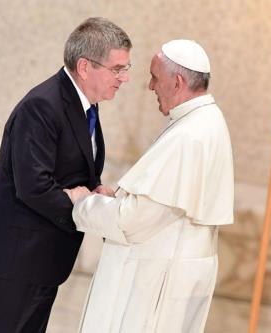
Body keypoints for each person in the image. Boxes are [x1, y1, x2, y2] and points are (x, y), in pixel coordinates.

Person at [0, 17, 132, 332]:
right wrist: (82, 205)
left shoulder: (86, 106)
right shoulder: (42, 106)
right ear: (85, 66)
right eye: (118, 68)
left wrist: (94, 193)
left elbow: (74, 172)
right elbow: (34, 187)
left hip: (41, 262)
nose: (125, 78)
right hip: (10, 259)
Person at [64, 39, 234, 333]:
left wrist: (83, 203)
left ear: (177, 82)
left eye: (155, 77)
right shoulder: (206, 120)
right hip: (170, 273)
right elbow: (159, 199)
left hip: (155, 282)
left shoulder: (189, 135)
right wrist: (116, 198)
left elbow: (132, 221)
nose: (150, 86)